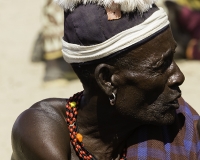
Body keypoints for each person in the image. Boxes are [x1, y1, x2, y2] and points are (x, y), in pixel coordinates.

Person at [11, 0, 200, 159]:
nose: (178, 77)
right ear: (107, 80)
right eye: (161, 66)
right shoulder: (43, 130)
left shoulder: (179, 123)